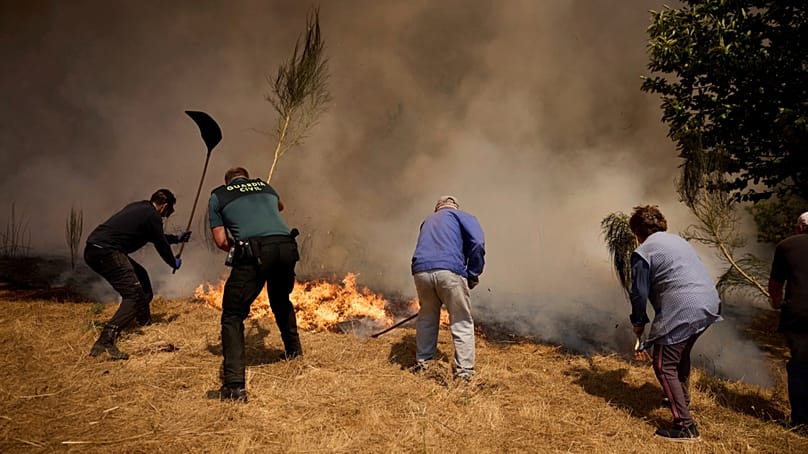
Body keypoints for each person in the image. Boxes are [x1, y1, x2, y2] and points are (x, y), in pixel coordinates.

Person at [206, 167, 302, 402]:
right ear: (246, 178)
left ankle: (234, 387)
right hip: (287, 246)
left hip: (257, 250)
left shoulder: (218, 195)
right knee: (280, 300)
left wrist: (238, 249)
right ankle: (294, 352)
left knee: (233, 314)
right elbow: (279, 207)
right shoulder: (265, 186)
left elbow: (220, 240)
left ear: (228, 181)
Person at [628, 205, 722, 441]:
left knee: (662, 365)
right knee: (679, 354)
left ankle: (685, 426)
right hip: (709, 302)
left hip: (685, 307)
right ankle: (681, 398)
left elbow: (639, 292)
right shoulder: (678, 242)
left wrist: (638, 323)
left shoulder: (644, 251)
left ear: (637, 232)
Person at [85, 189, 190, 360]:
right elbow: (160, 244)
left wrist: (176, 239)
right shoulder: (153, 216)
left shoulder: (140, 207)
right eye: (168, 211)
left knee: (142, 277)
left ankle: (144, 322)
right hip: (107, 252)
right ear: (164, 207)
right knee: (134, 296)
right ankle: (106, 340)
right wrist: (173, 262)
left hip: (95, 249)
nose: (166, 216)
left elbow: (153, 236)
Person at [411, 195, 485, 382]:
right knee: (461, 320)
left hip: (421, 271)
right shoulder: (462, 216)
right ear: (455, 207)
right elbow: (477, 243)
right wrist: (473, 272)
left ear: (438, 208)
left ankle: (424, 363)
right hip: (449, 271)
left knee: (427, 317)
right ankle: (465, 373)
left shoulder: (427, 220)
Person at [768, 211, 808, 429]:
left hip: (800, 314)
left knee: (801, 364)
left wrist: (776, 303)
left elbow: (775, 285)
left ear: (800, 228)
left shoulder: (787, 246)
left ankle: (802, 421)